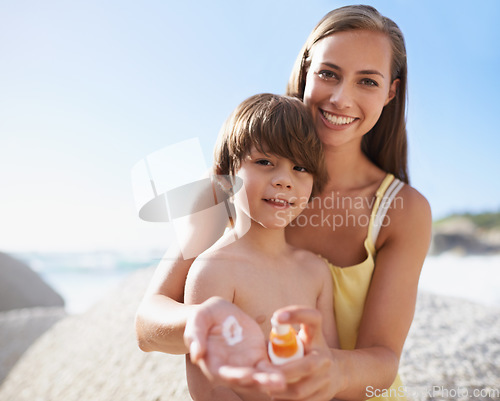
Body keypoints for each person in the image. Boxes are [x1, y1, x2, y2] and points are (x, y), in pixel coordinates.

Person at [135, 5, 432, 401]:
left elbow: (383, 358)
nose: (342, 98)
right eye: (328, 74)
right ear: (306, 71)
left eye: (367, 81)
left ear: (390, 92)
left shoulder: (402, 211)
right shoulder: (231, 186)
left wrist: (331, 370)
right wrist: (202, 322)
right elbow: (147, 324)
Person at [183, 93, 338, 401]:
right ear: (226, 178)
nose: (284, 179)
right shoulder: (213, 270)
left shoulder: (315, 270)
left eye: (301, 168)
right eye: (265, 162)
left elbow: (328, 364)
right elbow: (210, 388)